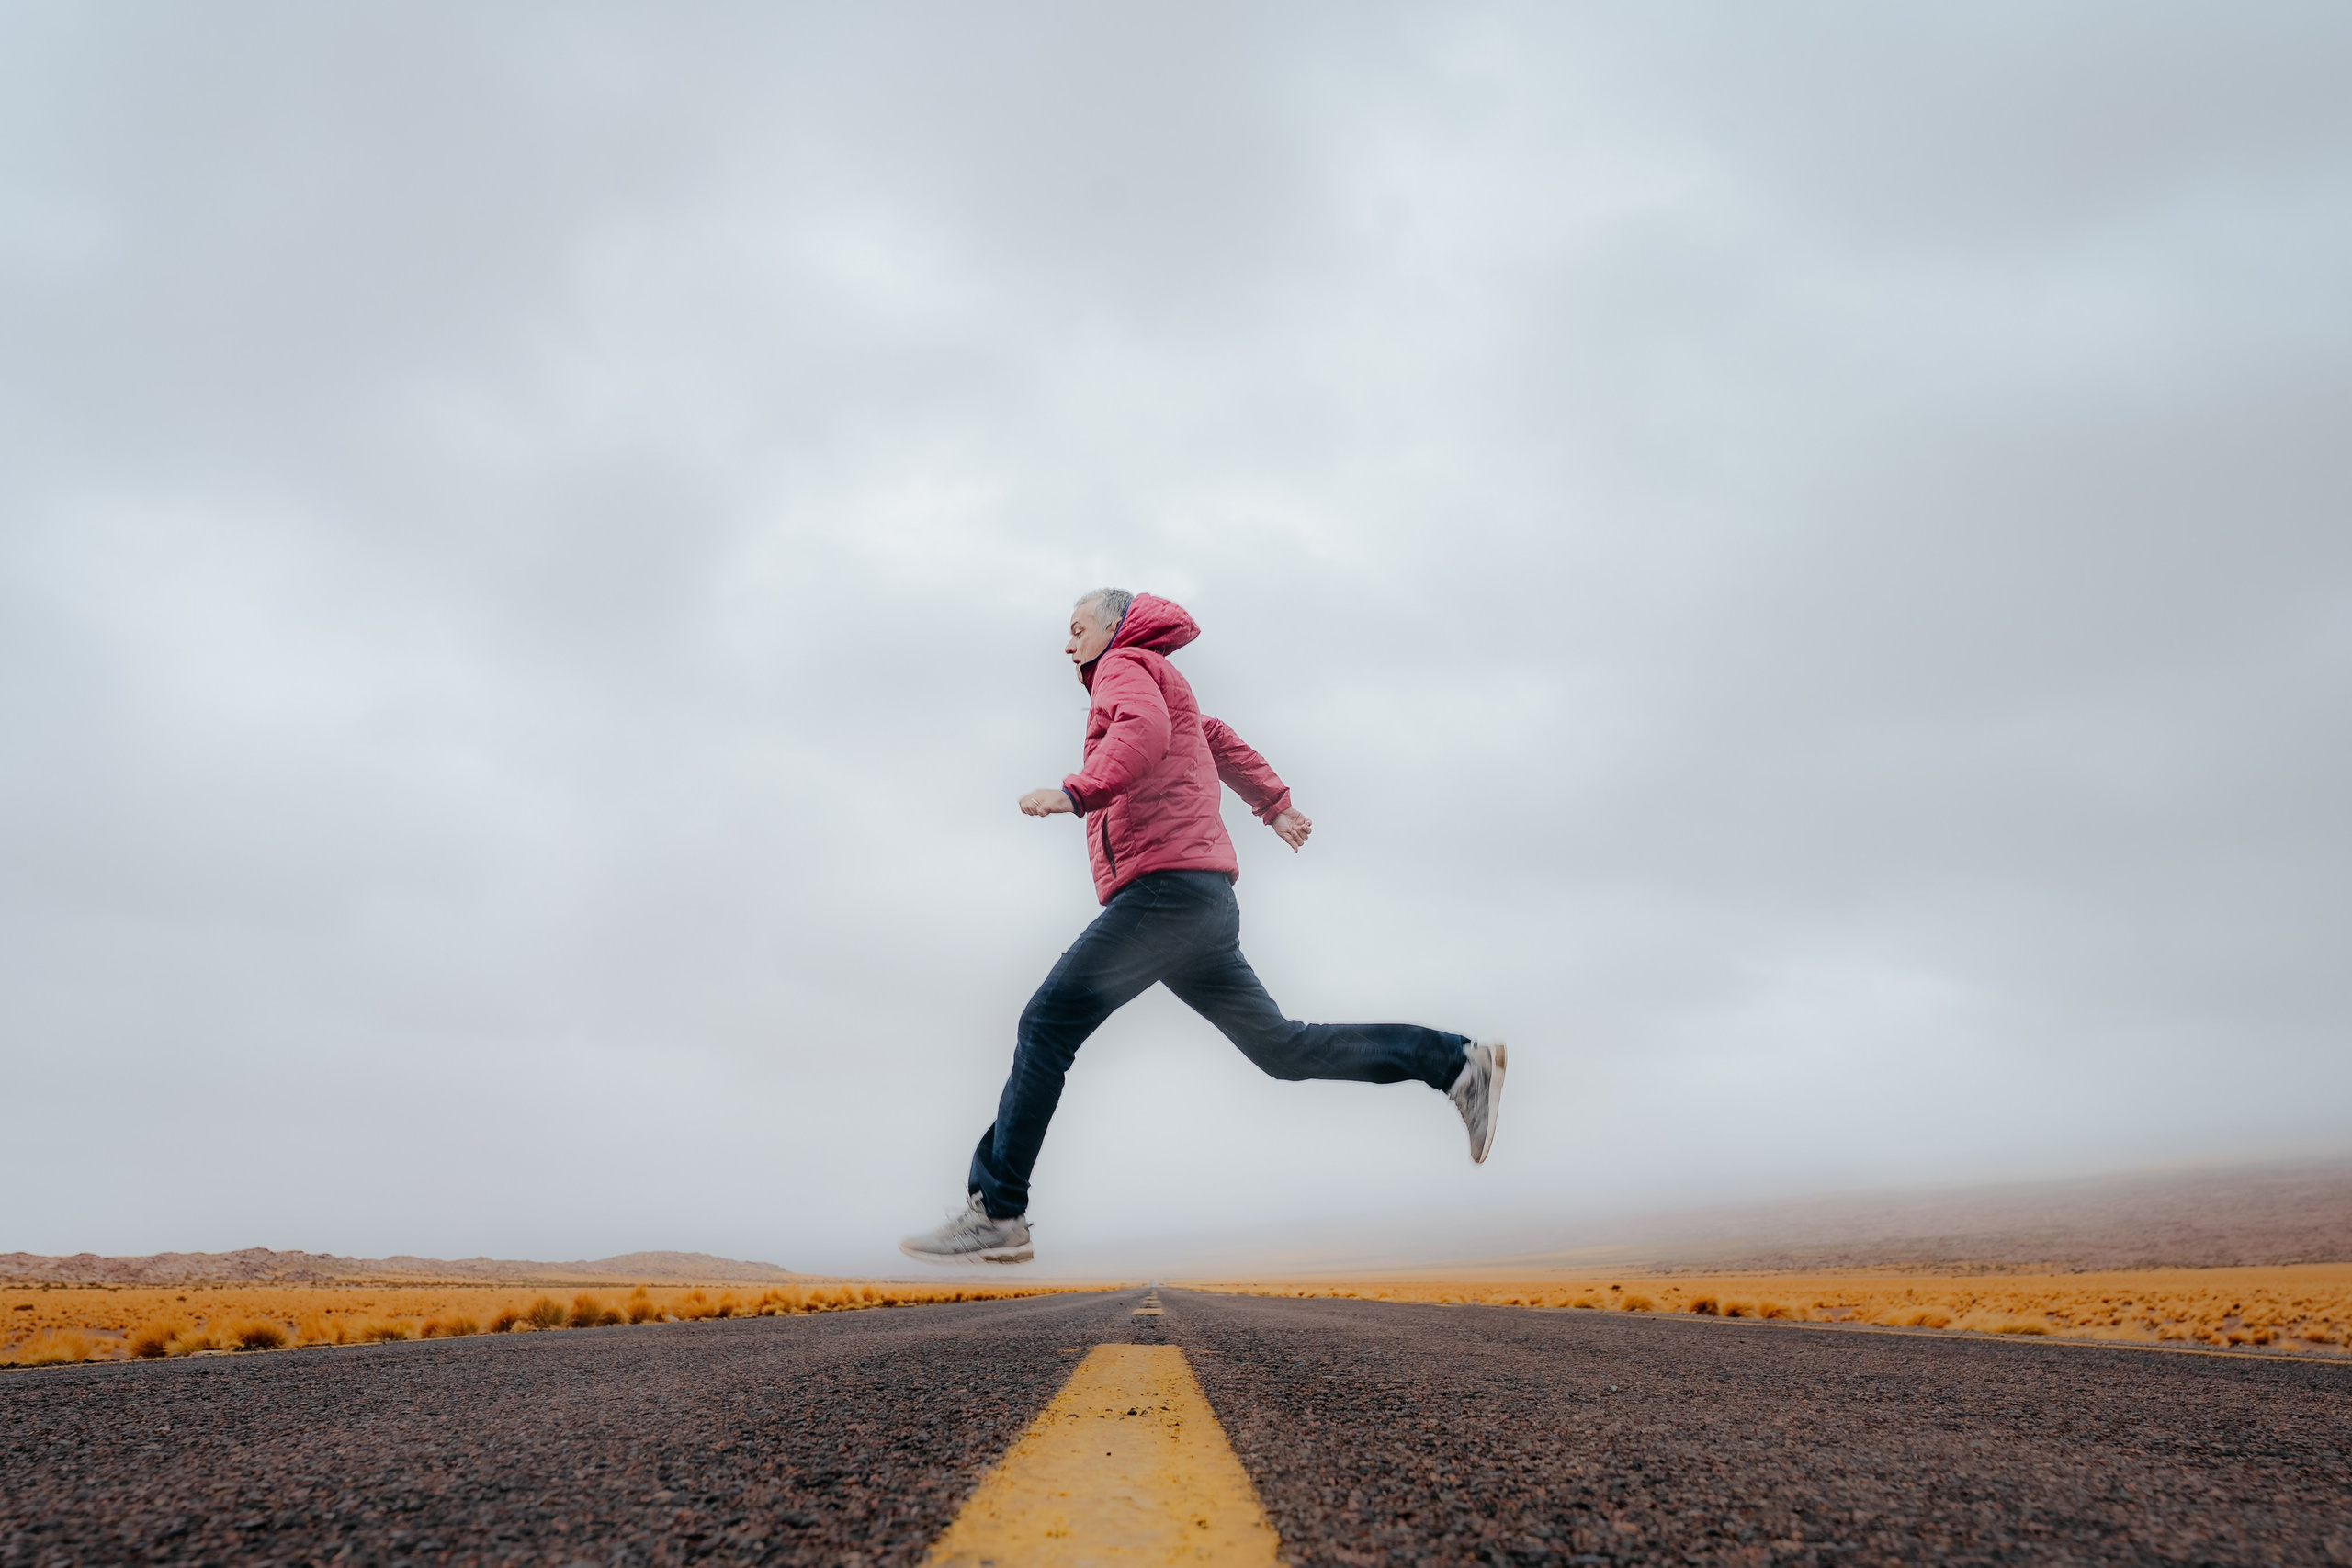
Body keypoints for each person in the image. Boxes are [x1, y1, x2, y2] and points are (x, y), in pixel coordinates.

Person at [899, 589, 1505, 1264]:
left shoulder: (1124, 669)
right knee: (1282, 1048)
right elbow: (1214, 739)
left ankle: (1000, 1208)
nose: (1067, 645)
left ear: (1114, 626)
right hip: (1201, 904)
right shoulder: (1161, 678)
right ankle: (1455, 1062)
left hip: (1167, 896)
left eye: (1076, 629)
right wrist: (1274, 805)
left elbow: (1143, 735)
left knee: (1046, 1026)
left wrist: (1076, 792)